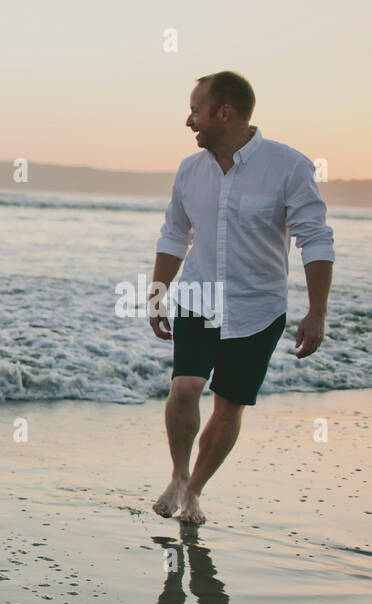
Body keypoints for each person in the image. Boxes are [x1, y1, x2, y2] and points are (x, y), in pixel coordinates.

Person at [148, 71, 334, 524]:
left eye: (196, 110)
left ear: (224, 112)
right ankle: (177, 473)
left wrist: (317, 312)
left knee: (229, 404)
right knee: (186, 386)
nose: (189, 120)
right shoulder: (190, 170)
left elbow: (316, 240)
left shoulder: (289, 167)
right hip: (199, 296)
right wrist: (157, 293)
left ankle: (194, 490)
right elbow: (174, 234)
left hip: (259, 307)